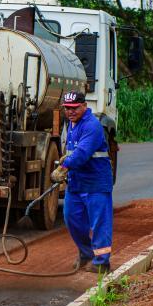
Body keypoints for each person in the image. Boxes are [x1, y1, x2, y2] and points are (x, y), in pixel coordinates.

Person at [51, 91, 114, 274]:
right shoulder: (72, 123)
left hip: (96, 183)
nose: (70, 112)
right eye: (67, 109)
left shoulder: (92, 125)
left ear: (84, 106)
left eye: (74, 108)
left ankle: (102, 261)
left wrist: (63, 167)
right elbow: (72, 152)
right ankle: (86, 254)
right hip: (77, 183)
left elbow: (82, 154)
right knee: (72, 218)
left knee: (99, 223)